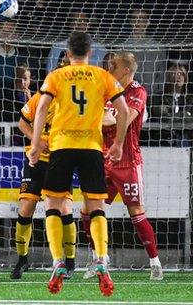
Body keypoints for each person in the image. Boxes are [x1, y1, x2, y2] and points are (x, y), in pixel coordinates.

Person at [28, 32, 129, 296]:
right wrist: (117, 144)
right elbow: (125, 111)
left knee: (53, 203)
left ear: (68, 53)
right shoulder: (102, 75)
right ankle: (101, 260)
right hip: (91, 148)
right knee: (95, 207)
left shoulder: (56, 76)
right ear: (91, 52)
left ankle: (58, 261)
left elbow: (41, 109)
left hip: (61, 146)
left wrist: (37, 143)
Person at [81, 52, 163, 281]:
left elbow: (124, 118)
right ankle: (100, 259)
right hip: (103, 160)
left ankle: (155, 262)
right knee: (88, 211)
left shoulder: (138, 91)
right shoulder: (107, 89)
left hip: (128, 162)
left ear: (125, 69)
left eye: (113, 66)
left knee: (136, 213)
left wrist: (97, 118)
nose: (109, 68)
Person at [11, 90, 76, 279]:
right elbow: (22, 123)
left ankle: (70, 260)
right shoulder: (40, 97)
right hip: (36, 160)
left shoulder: (73, 100)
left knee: (64, 210)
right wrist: (37, 140)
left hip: (61, 161)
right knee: (25, 209)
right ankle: (22, 260)